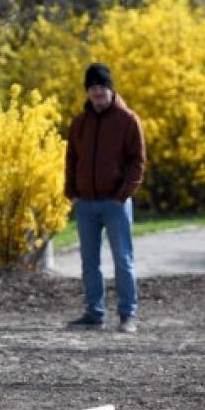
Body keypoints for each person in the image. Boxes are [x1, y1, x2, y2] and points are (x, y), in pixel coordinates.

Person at [64, 62, 146, 333]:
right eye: (92, 88)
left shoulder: (128, 120)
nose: (97, 93)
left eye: (102, 87)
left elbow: (138, 162)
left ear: (111, 90)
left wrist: (122, 195)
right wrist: (72, 193)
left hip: (116, 204)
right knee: (89, 262)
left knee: (122, 259)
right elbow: (71, 159)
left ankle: (128, 315)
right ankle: (94, 313)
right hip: (85, 203)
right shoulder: (79, 123)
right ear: (87, 92)